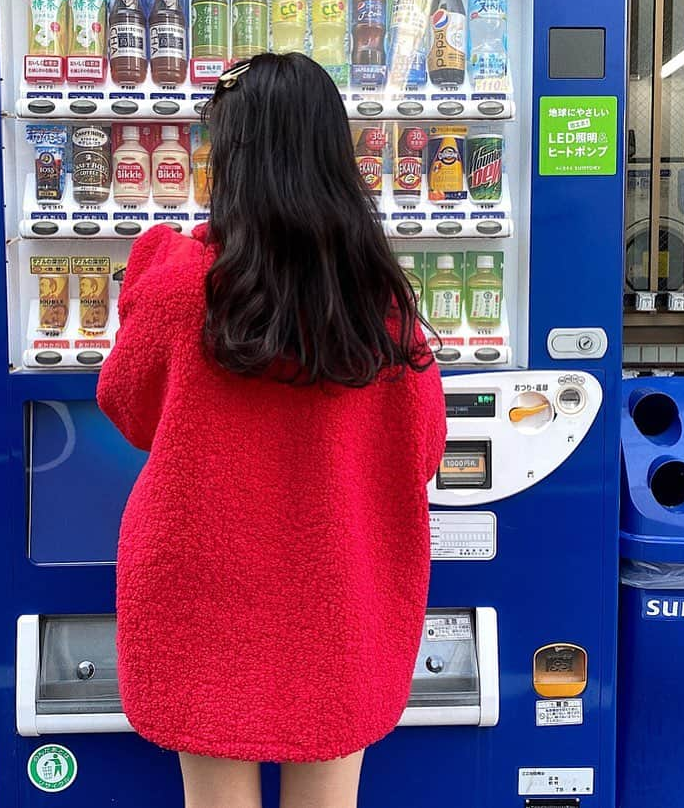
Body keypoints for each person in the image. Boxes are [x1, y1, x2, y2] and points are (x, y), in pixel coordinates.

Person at [97, 51, 447, 808]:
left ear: (233, 157)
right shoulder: (380, 303)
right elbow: (422, 450)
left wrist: (163, 258)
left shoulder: (184, 285)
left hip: (198, 586)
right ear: (333, 155)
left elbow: (127, 407)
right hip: (340, 586)